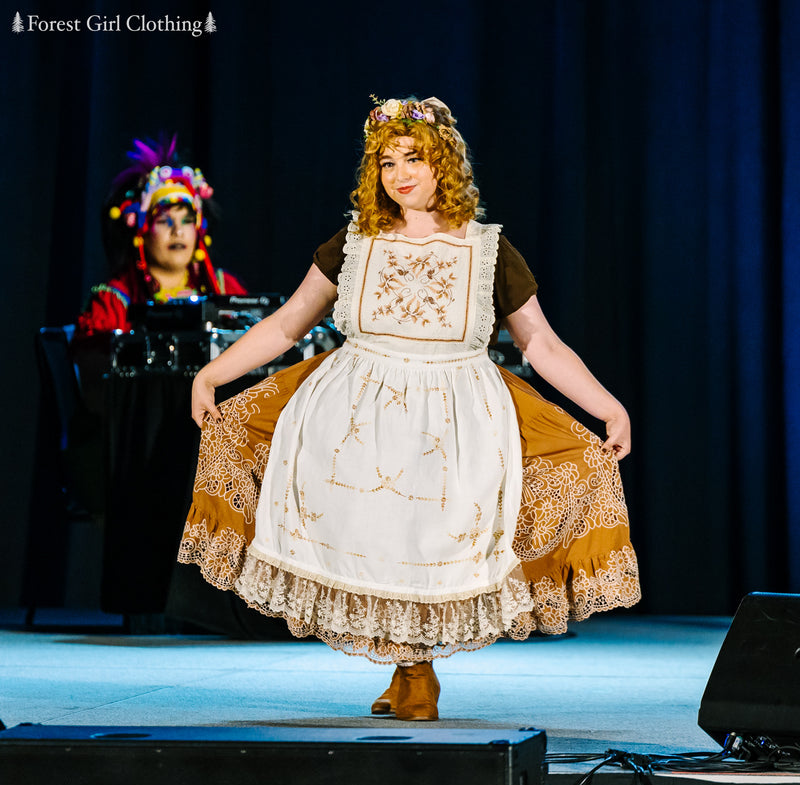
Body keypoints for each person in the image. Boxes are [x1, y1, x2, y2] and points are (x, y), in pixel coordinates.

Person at [179, 97, 640, 721]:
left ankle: (417, 673)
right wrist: (213, 373)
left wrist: (608, 407)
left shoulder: (487, 250)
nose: (399, 174)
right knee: (374, 533)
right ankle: (409, 671)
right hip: (356, 405)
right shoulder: (355, 240)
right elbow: (289, 323)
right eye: (387, 161)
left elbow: (542, 345)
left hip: (454, 411)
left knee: (428, 540)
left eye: (414, 159)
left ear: (442, 163)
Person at [76, 136, 246, 337]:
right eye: (165, 221)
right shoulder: (113, 301)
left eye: (187, 221)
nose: (178, 231)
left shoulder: (225, 288)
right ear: (142, 230)